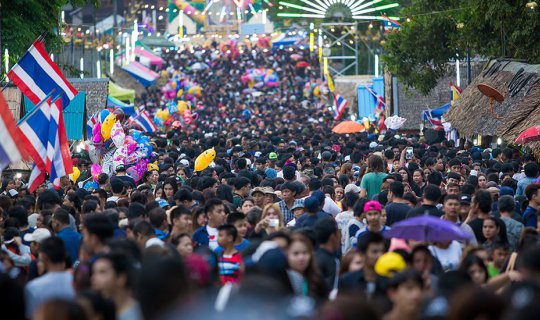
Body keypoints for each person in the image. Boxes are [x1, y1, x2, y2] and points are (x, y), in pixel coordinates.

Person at [25, 237, 74, 317]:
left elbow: (31, 315)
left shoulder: (33, 287)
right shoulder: (77, 282)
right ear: (65, 255)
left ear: (43, 257)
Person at [92, 252, 143, 320]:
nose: (94, 278)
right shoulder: (103, 312)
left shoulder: (135, 315)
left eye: (102, 272)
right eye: (94, 272)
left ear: (121, 278)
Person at [338, 232, 387, 299]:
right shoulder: (347, 281)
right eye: (374, 252)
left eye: (382, 251)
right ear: (362, 254)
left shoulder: (387, 282)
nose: (380, 255)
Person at [286, 233, 326, 299]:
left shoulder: (317, 281)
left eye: (305, 253)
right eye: (296, 254)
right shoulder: (282, 282)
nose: (301, 257)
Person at [314, 218, 341, 290]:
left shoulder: (313, 257)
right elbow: (332, 289)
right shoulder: (332, 261)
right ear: (332, 237)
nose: (340, 236)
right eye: (338, 232)